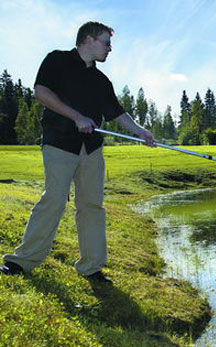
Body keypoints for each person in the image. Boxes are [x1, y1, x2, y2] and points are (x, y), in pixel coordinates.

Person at [0, 21, 156, 284]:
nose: (110, 49)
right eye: (106, 43)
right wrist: (77, 117)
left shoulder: (101, 80)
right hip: (60, 142)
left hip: (92, 149)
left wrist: (141, 131)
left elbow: (116, 113)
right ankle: (22, 261)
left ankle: (91, 267)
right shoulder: (57, 60)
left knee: (92, 206)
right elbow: (42, 92)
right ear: (89, 39)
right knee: (54, 200)